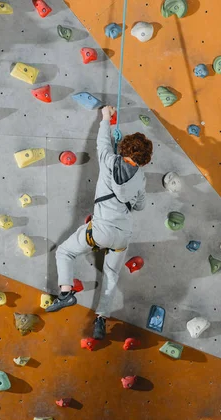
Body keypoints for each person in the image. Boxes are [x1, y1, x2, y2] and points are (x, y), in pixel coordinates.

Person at [46, 106, 153, 341]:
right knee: (111, 276)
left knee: (64, 252)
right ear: (144, 159)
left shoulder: (108, 160)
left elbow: (101, 142)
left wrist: (106, 117)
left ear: (124, 148)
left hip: (101, 230)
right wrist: (133, 196)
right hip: (122, 235)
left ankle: (66, 293)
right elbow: (140, 206)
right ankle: (101, 319)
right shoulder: (141, 177)